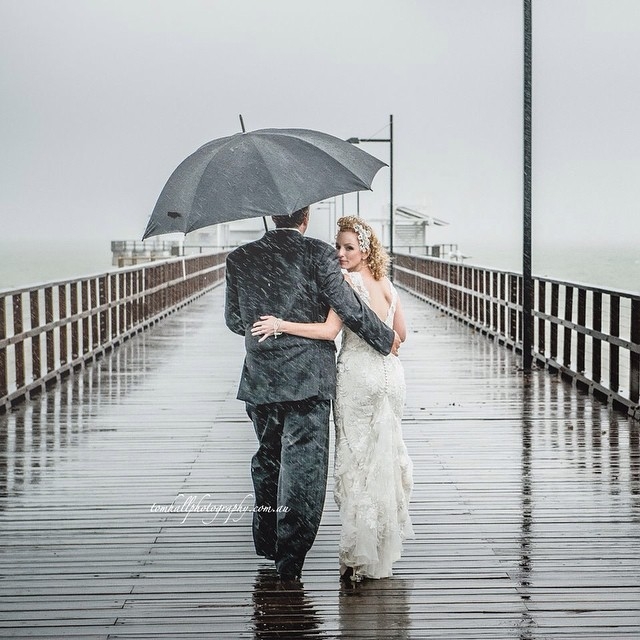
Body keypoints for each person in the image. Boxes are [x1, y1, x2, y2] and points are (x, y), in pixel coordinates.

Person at [224, 207, 401, 582]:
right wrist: (385, 339)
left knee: (269, 459)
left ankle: (268, 538)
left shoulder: (239, 258)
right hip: (307, 380)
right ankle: (290, 558)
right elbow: (349, 307)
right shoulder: (318, 253)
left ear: (272, 218)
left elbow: (235, 321)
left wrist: (270, 315)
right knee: (303, 471)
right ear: (304, 220)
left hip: (262, 380)